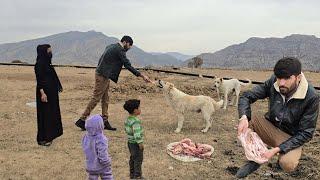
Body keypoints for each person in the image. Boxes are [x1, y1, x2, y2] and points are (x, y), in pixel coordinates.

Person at [236, 57, 319, 178]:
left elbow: (306, 133)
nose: (281, 83)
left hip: (291, 137)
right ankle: (257, 157)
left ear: (298, 77)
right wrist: (243, 117)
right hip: (271, 127)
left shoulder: (311, 97)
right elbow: (246, 96)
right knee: (247, 123)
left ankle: (275, 157)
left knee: (288, 164)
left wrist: (277, 150)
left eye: (287, 78)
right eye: (279, 78)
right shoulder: (273, 82)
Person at [75, 36, 152, 131]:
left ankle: (105, 121)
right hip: (102, 75)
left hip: (104, 74)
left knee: (105, 99)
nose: (128, 48)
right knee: (96, 98)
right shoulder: (119, 50)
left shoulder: (111, 46)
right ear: (125, 42)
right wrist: (142, 76)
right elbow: (127, 65)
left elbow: (104, 59)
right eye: (129, 46)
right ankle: (82, 120)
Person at [34, 44, 63, 146]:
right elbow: (39, 80)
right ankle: (45, 138)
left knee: (52, 113)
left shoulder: (47, 63)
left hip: (51, 93)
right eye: (49, 51)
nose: (50, 53)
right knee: (45, 115)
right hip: (45, 93)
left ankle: (51, 135)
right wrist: (42, 93)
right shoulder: (39, 64)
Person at [82, 115, 113, 180]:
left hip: (90, 165)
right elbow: (102, 154)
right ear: (100, 125)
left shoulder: (85, 137)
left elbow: (85, 149)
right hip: (102, 166)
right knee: (107, 176)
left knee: (92, 178)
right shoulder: (101, 139)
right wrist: (107, 162)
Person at [123, 99, 144, 179]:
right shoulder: (136, 121)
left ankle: (132, 174)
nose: (140, 109)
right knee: (138, 160)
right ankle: (137, 176)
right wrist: (140, 143)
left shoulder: (128, 119)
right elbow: (137, 135)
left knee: (132, 158)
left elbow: (126, 130)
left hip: (130, 143)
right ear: (135, 110)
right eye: (139, 107)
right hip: (136, 144)